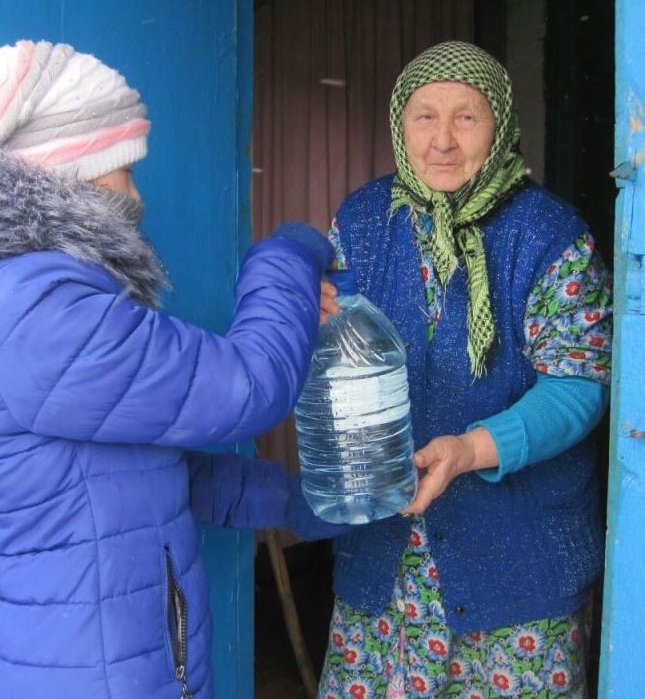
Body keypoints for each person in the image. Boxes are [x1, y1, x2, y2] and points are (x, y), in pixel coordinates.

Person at [0, 40, 339, 699]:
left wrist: (297, 502)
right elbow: (252, 385)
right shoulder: (32, 305)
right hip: (97, 675)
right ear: (66, 170)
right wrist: (289, 256)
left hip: (87, 657)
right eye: (122, 169)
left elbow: (128, 477)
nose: (135, 193)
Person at [189, 41, 612, 699]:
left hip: (516, 576)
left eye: (466, 118)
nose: (442, 140)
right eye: (424, 117)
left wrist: (471, 449)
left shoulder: (549, 235)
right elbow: (333, 351)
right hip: (384, 565)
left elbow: (579, 384)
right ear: (399, 124)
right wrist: (304, 294)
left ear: (499, 124)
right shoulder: (362, 219)